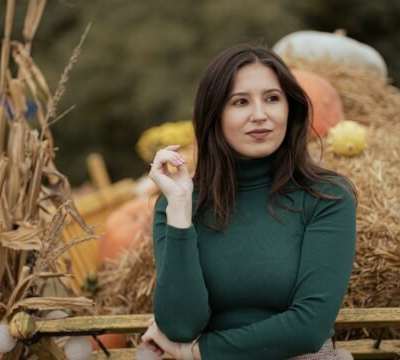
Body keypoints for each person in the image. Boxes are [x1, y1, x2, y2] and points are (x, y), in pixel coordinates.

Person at [141, 43, 357, 360]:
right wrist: (180, 205)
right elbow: (180, 326)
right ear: (215, 114)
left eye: (272, 98)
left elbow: (310, 327)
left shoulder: (326, 197)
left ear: (290, 109)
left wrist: (200, 352)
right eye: (240, 102)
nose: (260, 115)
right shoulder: (180, 202)